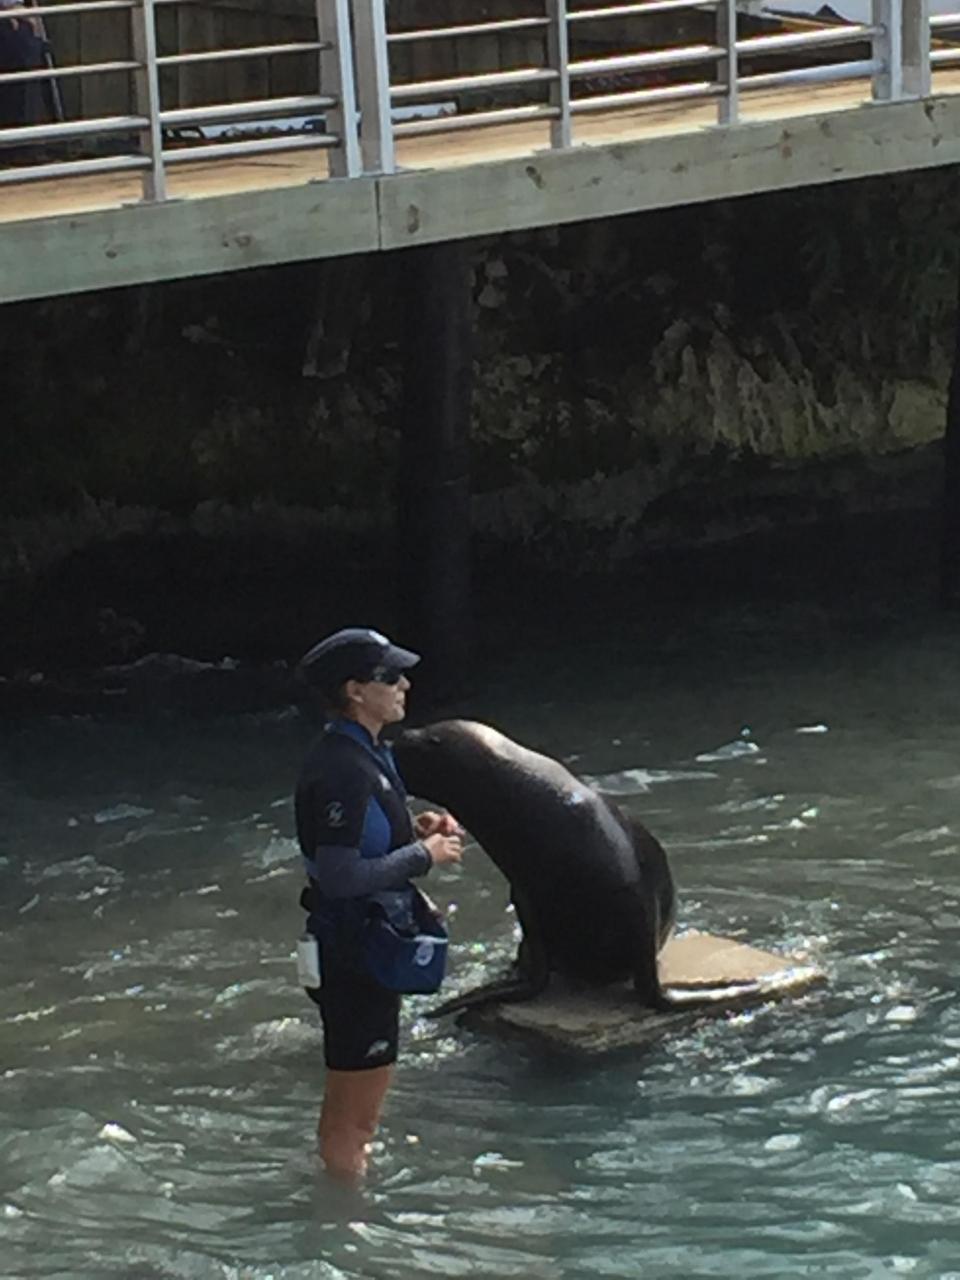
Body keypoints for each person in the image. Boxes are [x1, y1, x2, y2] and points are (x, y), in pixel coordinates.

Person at [294, 627, 463, 1181]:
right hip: (354, 950)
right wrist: (422, 855)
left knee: (352, 1112)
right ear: (355, 691)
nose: (404, 685)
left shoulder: (362, 753)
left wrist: (414, 831)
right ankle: (346, 1213)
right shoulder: (342, 768)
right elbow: (340, 876)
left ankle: (340, 1186)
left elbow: (359, 844)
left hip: (359, 946)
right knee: (355, 1123)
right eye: (390, 677)